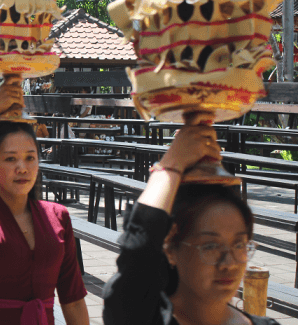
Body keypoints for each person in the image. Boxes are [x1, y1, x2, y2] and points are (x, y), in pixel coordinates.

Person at [0, 76, 89, 325]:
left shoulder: (57, 216)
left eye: (30, 158)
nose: (22, 167)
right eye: (10, 159)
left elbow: (72, 299)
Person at [102, 122, 277, 325]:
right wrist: (170, 167)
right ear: (170, 248)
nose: (229, 263)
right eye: (210, 246)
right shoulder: (145, 319)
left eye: (239, 245)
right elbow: (138, 255)